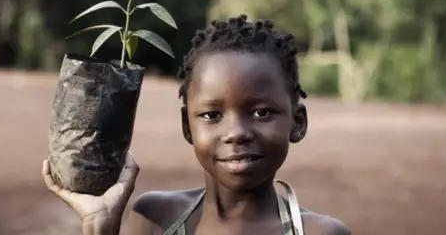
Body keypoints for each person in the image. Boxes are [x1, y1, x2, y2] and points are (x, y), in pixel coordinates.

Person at [42, 14, 351, 235]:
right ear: (187, 127)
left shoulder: (319, 232)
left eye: (260, 113)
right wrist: (100, 226)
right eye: (212, 115)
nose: (236, 133)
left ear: (297, 123)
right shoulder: (155, 218)